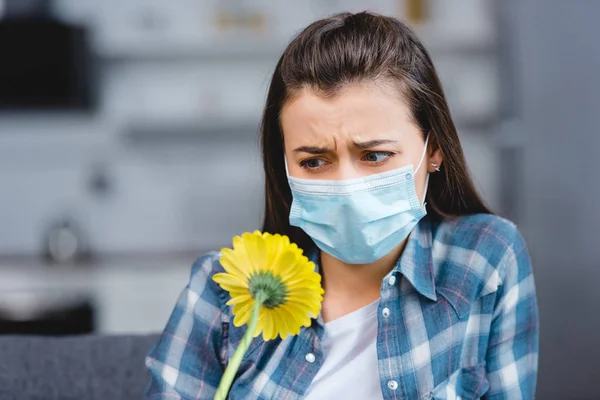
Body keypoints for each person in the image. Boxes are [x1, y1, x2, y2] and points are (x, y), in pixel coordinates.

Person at [144, 11, 538, 400]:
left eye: (375, 155)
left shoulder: (485, 258)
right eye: (314, 162)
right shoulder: (222, 289)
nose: (347, 186)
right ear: (284, 167)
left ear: (433, 150)